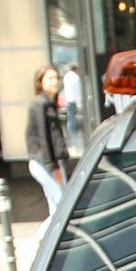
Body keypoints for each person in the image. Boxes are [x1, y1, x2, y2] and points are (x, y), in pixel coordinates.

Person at [24, 64, 67, 236]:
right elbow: (43, 136)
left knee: (56, 206)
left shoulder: (49, 103)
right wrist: (53, 166)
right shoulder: (39, 104)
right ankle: (41, 240)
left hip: (51, 161)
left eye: (56, 77)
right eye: (50, 78)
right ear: (40, 82)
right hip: (45, 162)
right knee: (63, 206)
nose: (55, 81)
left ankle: (49, 241)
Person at [61, 64, 86, 146]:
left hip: (68, 100)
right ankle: (74, 136)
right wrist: (79, 104)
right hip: (74, 101)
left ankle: (71, 137)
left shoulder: (67, 76)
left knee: (70, 119)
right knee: (73, 120)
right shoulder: (76, 78)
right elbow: (77, 92)